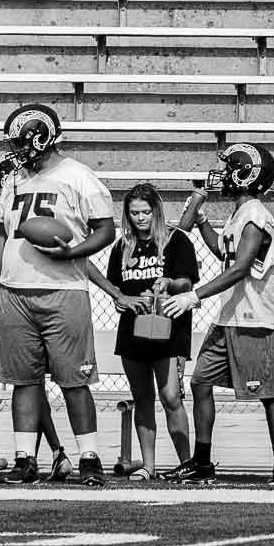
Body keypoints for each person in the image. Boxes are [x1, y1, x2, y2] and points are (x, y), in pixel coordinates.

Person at [0, 103, 117, 487]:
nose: (17, 151)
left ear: (40, 138)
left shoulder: (77, 176)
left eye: (21, 143)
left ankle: (89, 457)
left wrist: (73, 252)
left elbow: (105, 230)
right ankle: (25, 459)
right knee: (23, 381)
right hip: (15, 292)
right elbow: (1, 234)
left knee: (74, 380)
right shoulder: (16, 180)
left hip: (63, 290)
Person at [165, 143, 274, 486]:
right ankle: (202, 462)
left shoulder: (255, 215)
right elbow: (224, 251)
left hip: (254, 318)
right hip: (229, 316)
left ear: (245, 174)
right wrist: (203, 221)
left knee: (267, 394)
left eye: (229, 167)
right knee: (200, 382)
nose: (221, 173)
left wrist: (195, 295)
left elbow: (240, 268)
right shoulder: (240, 214)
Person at [83, 183, 196, 480]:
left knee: (171, 396)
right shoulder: (122, 246)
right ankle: (149, 465)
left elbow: (187, 284)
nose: (141, 218)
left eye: (146, 212)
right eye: (134, 213)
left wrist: (168, 283)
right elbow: (118, 289)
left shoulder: (176, 240)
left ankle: (187, 463)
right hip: (133, 331)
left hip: (169, 330)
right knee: (142, 397)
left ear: (156, 211)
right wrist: (121, 302)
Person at [0, 154, 69, 479]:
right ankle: (52, 453)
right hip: (16, 297)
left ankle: (49, 454)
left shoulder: (23, 207)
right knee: (31, 384)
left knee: (32, 384)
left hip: (34, 298)